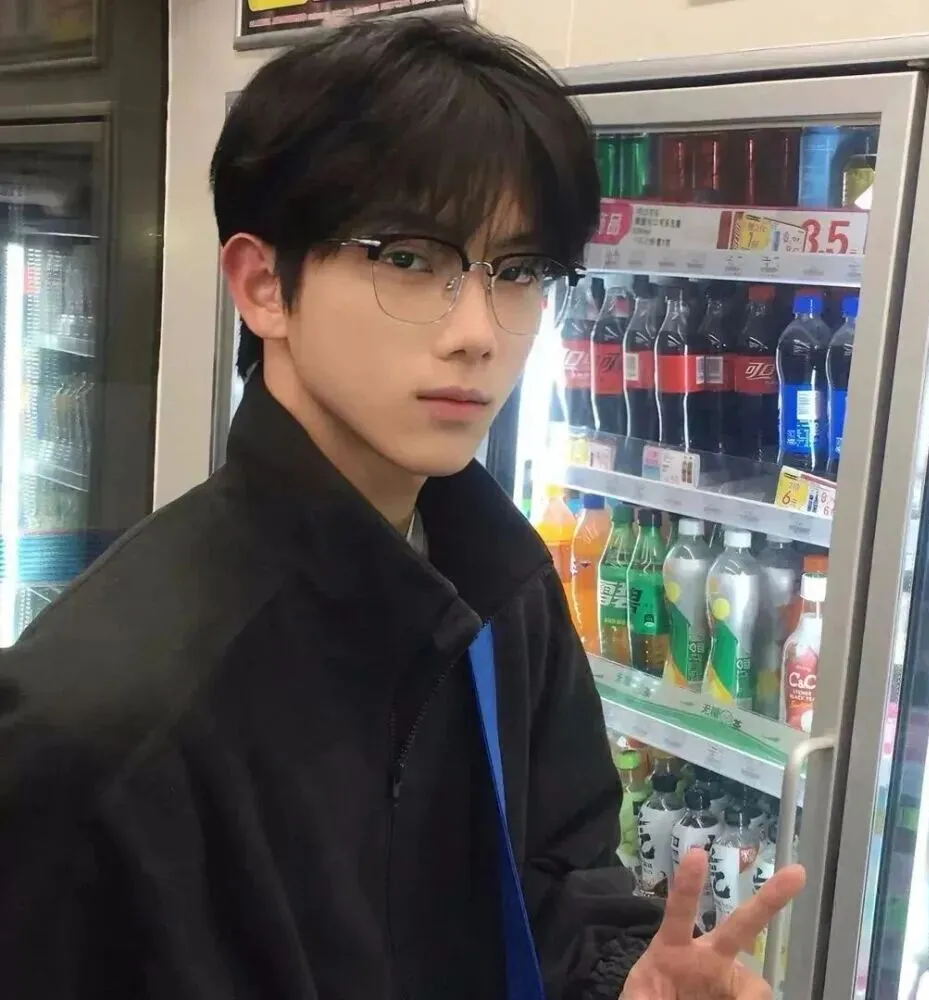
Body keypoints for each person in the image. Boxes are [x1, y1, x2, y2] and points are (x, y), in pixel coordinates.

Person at [0, 14, 804, 1000]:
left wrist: (621, 979)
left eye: (517, 272)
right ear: (264, 285)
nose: (477, 332)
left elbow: (555, 881)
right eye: (411, 259)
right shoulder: (102, 726)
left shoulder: (498, 583)